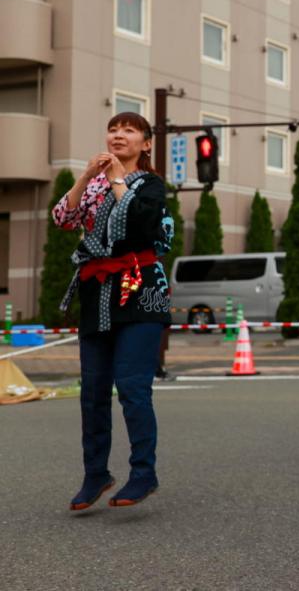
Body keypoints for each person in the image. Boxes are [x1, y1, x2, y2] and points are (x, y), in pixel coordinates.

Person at [53, 112, 174, 510]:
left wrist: (119, 179)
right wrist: (86, 177)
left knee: (133, 387)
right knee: (92, 391)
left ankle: (143, 473)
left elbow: (141, 224)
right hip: (97, 293)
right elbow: (63, 218)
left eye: (129, 130)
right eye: (113, 129)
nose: (118, 135)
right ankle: (96, 474)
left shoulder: (151, 184)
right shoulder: (95, 184)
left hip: (141, 291)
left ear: (146, 143)